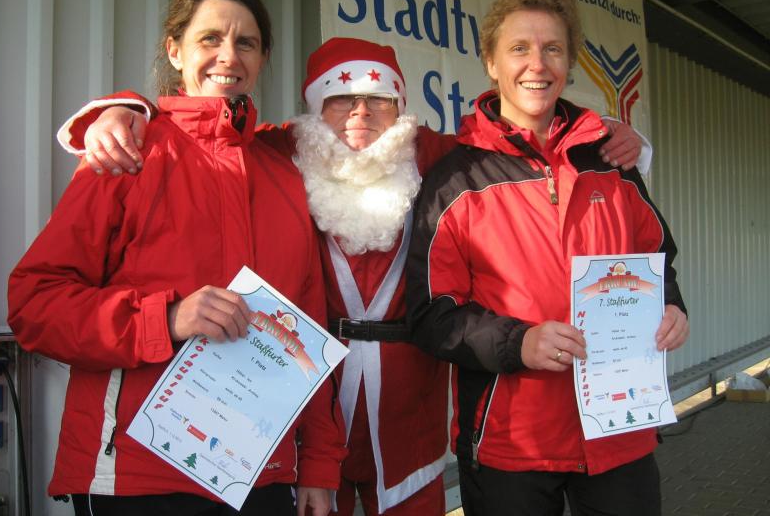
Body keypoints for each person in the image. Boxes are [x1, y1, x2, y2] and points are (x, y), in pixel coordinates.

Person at [54, 40, 648, 515]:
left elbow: (515, 137)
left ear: (400, 110)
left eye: (378, 100)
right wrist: (125, 109)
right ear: (314, 112)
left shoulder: (431, 155)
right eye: (339, 100)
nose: (360, 114)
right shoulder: (281, 151)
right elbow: (210, 129)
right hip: (308, 409)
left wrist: (611, 134)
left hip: (407, 413)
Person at [8, 0, 345, 516]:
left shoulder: (285, 174)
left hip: (260, 475)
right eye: (210, 38)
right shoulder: (127, 154)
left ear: (263, 58)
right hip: (137, 476)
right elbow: (34, 303)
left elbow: (307, 330)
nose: (228, 56)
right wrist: (164, 319)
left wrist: (320, 464)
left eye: (246, 43)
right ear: (174, 50)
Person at [405, 0, 690, 516]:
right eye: (519, 48)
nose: (537, 64)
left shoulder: (611, 164)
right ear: (491, 63)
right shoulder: (455, 181)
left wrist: (671, 308)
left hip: (619, 433)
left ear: (569, 62)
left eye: (552, 48)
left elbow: (658, 260)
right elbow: (430, 315)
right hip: (511, 446)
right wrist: (520, 343)